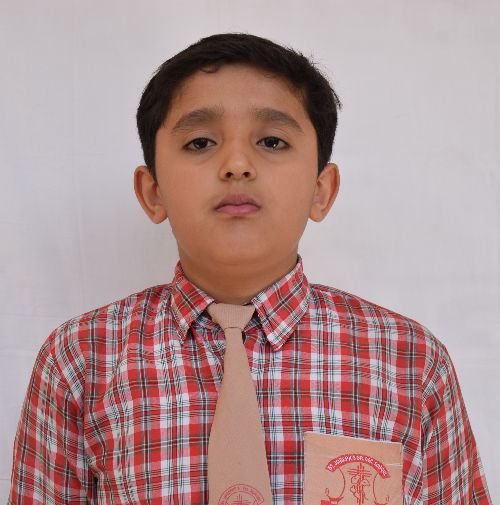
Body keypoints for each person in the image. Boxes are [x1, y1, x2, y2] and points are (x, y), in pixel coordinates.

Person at [8, 32, 491, 504]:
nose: (237, 164)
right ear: (152, 192)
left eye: (272, 141)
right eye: (200, 142)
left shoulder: (408, 361)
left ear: (321, 190)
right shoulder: (81, 360)